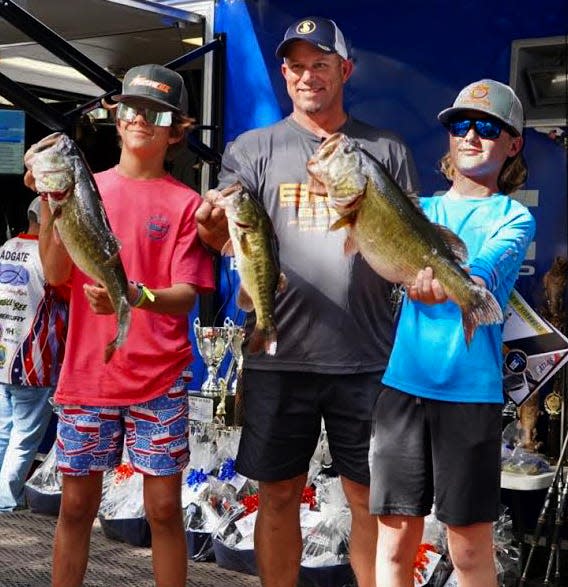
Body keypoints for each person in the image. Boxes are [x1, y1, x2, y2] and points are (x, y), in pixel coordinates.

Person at [197, 17, 419, 587]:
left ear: (345, 70)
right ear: (283, 73)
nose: (307, 76)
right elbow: (225, 239)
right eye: (295, 65)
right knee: (276, 494)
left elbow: (407, 242)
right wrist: (210, 227)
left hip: (368, 356)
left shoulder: (386, 150)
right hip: (280, 352)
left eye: (320, 64)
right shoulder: (253, 148)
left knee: (370, 498)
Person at [26, 64, 214, 587]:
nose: (141, 120)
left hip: (160, 377)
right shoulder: (87, 187)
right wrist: (49, 204)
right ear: (116, 114)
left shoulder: (187, 203)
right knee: (75, 508)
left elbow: (184, 298)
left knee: (163, 511)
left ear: (177, 128)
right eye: (131, 107)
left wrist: (135, 295)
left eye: (156, 112)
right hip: (89, 374)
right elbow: (58, 275)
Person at [369, 79, 536, 587]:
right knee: (395, 540)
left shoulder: (515, 216)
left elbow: (480, 274)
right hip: (402, 390)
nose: (470, 135)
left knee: (467, 549)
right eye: (460, 125)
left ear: (513, 144)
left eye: (487, 127)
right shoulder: (419, 211)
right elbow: (376, 255)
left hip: (469, 395)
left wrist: (444, 283)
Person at [0, 197, 68, 512]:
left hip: (3, 359)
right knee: (24, 437)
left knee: (3, 431)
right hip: (34, 364)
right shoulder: (48, 257)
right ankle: (5, 500)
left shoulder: (6, 248)